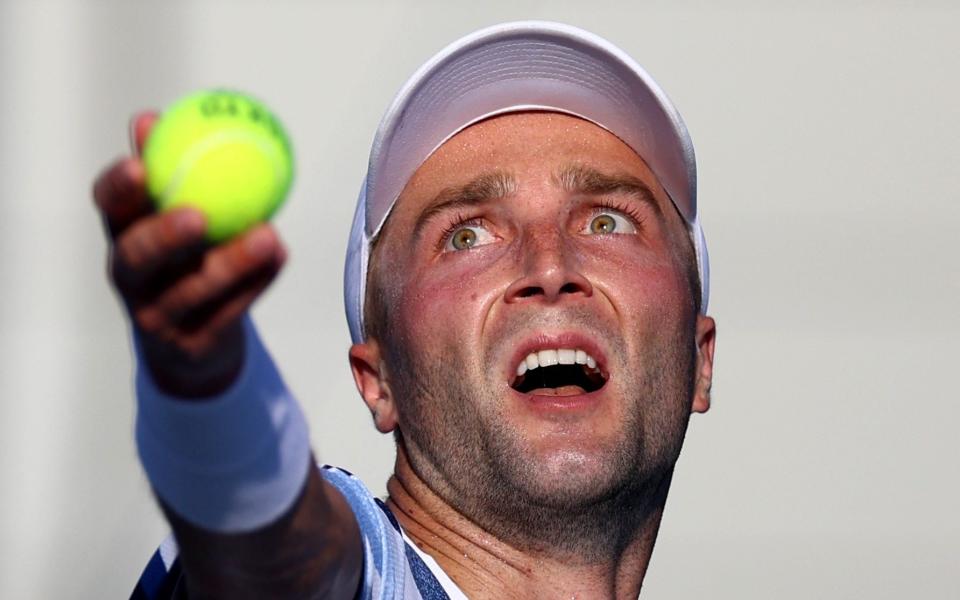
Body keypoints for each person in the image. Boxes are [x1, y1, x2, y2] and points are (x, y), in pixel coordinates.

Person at [96, 21, 716, 599]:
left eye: (607, 221)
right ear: (379, 380)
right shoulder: (359, 570)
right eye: (466, 235)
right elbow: (274, 553)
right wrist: (209, 386)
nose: (549, 267)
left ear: (700, 357)